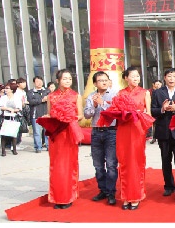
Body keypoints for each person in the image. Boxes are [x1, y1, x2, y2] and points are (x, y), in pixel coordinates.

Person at [103, 66, 152, 210]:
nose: (136, 79)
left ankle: (135, 195)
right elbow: (114, 110)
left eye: (138, 76)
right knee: (124, 161)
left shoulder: (144, 93)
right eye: (133, 76)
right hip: (123, 129)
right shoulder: (120, 93)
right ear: (126, 78)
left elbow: (149, 115)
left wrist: (137, 113)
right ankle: (126, 196)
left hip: (137, 130)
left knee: (136, 161)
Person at [43, 69, 83, 209]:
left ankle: (68, 196)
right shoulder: (51, 96)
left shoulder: (76, 96)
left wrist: (68, 117)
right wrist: (49, 118)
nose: (68, 81)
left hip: (69, 133)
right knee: (56, 165)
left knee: (69, 164)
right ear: (58, 80)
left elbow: (80, 116)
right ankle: (57, 197)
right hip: (56, 134)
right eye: (65, 78)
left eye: (70, 79)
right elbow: (49, 114)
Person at [150, 68, 175, 201]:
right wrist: (162, 109)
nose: (171, 79)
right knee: (165, 160)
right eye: (169, 76)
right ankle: (168, 186)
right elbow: (152, 110)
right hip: (163, 131)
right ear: (164, 78)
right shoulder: (157, 92)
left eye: (174, 76)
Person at [84, 71, 119, 206]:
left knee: (111, 164)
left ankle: (111, 193)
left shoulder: (115, 95)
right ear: (95, 83)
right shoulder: (91, 96)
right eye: (100, 80)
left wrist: (102, 103)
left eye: (105, 80)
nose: (104, 82)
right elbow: (87, 115)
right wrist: (94, 105)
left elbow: (115, 112)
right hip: (96, 132)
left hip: (111, 131)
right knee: (98, 165)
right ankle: (102, 190)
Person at [27, 76, 51, 153]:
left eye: (40, 81)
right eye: (37, 81)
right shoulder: (31, 92)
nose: (39, 83)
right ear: (34, 83)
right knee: (37, 132)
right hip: (36, 115)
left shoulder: (47, 91)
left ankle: (49, 146)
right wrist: (42, 100)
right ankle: (38, 147)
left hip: (46, 114)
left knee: (48, 132)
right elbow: (31, 102)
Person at [0, 82, 22, 156]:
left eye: (7, 88)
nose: (5, 90)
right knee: (3, 134)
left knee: (13, 134)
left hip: (14, 117)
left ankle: (14, 149)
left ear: (12, 89)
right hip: (5, 117)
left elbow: (19, 108)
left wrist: (14, 110)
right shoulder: (3, 98)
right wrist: (7, 108)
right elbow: (0, 106)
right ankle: (3, 151)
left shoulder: (16, 98)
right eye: (5, 88)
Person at [13, 78, 28, 149]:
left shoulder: (23, 92)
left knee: (21, 127)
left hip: (23, 109)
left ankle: (19, 142)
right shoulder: (16, 92)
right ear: (18, 84)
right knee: (17, 128)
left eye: (25, 82)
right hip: (18, 110)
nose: (24, 84)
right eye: (22, 83)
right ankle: (15, 144)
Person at [148, 79, 163, 143]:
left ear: (161, 84)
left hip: (162, 109)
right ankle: (154, 137)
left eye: (159, 84)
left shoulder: (163, 91)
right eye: (156, 84)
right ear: (153, 85)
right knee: (154, 124)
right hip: (154, 109)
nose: (158, 85)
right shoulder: (151, 92)